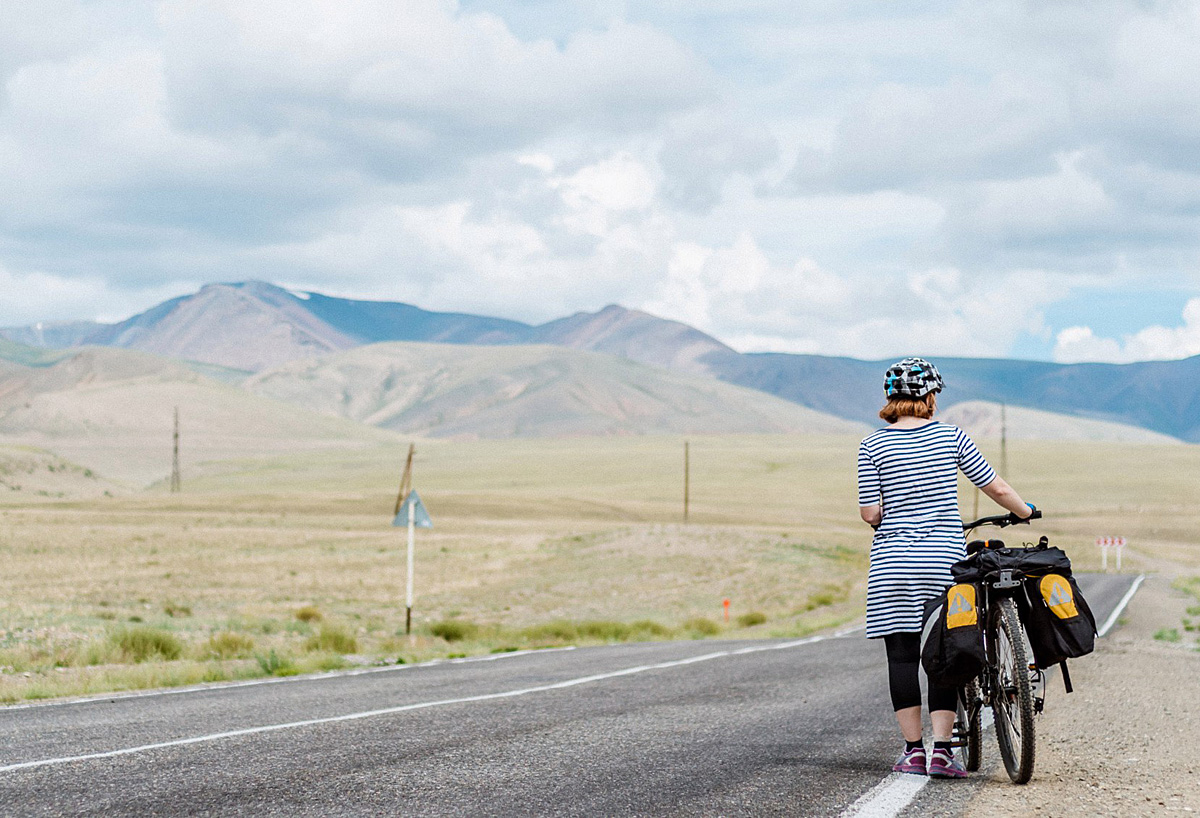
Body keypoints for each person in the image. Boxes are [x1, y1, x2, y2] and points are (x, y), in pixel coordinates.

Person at [856, 357, 1033, 779]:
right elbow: (996, 487)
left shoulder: (871, 445)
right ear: (931, 397)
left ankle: (913, 752)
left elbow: (869, 513)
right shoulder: (951, 437)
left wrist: (895, 516)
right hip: (942, 564)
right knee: (944, 653)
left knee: (901, 658)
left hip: (892, 565)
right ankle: (942, 754)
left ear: (890, 398)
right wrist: (1024, 512)